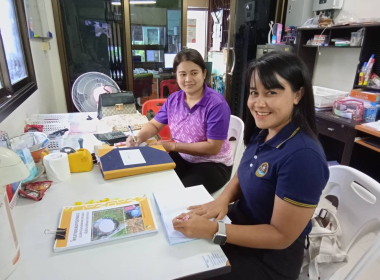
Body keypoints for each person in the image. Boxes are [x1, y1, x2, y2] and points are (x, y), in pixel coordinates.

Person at [171, 52, 330, 280]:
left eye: (271, 93)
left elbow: (281, 236)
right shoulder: (264, 132)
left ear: (298, 95)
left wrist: (215, 230)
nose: (259, 103)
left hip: (268, 258)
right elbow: (242, 174)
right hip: (238, 224)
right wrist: (222, 200)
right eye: (254, 92)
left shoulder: (303, 157)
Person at [126, 48, 233, 194]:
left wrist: (173, 146)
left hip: (213, 163)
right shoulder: (174, 99)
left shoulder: (216, 104)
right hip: (184, 156)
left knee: (179, 194)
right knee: (153, 182)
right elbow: (154, 124)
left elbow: (212, 147)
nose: (188, 79)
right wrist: (139, 137)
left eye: (194, 73)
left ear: (204, 73)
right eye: (182, 74)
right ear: (176, 76)